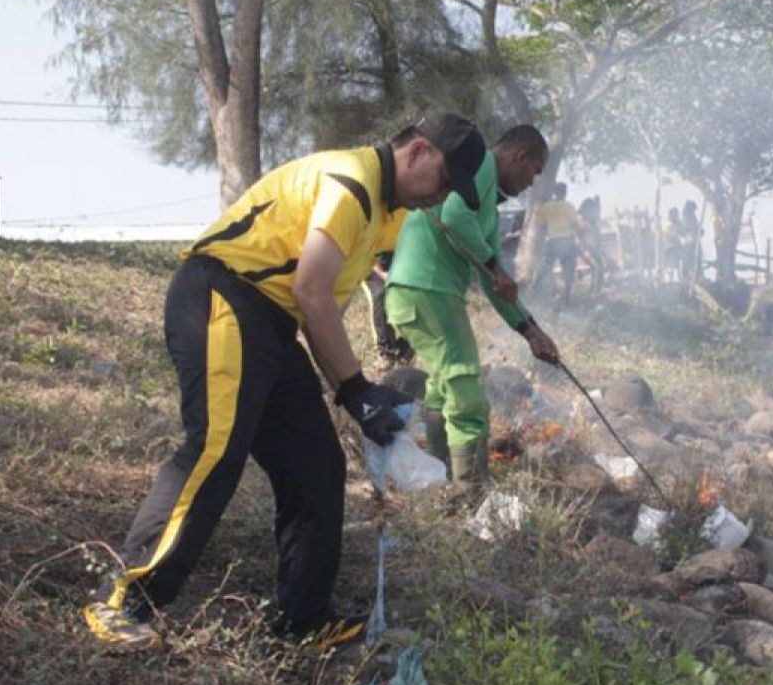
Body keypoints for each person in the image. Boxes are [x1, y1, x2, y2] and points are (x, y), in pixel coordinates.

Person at [83, 111, 487, 651]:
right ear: (417, 153)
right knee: (216, 450)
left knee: (317, 464)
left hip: (273, 324)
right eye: (442, 181)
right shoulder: (350, 184)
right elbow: (312, 292)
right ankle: (124, 601)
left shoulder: (387, 212)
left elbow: (348, 290)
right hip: (222, 295)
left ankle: (302, 620)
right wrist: (353, 389)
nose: (440, 197)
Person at [386, 126, 559, 488]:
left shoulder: (488, 212)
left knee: (442, 387)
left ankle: (441, 478)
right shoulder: (481, 165)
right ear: (519, 156)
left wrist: (531, 330)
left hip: (414, 292)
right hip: (428, 289)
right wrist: (496, 268)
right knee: (468, 395)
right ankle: (470, 494)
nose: (533, 181)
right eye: (535, 170)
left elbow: (495, 282)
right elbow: (453, 216)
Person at [361, 252, 413, 366]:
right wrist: (382, 274)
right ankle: (385, 350)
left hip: (398, 259)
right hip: (371, 264)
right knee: (380, 294)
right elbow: (365, 253)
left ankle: (406, 346)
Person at [534, 182, 583, 304]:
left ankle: (546, 290)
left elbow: (541, 225)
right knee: (568, 268)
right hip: (567, 241)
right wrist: (579, 235)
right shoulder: (569, 206)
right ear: (565, 193)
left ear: (555, 192)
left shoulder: (546, 207)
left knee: (547, 267)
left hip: (553, 241)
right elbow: (576, 225)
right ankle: (566, 296)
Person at [577, 194, 606, 294]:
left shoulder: (593, 225)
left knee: (599, 267)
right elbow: (579, 237)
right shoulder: (584, 224)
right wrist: (584, 247)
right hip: (587, 248)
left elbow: (597, 240)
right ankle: (594, 292)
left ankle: (595, 291)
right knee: (597, 267)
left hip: (592, 248)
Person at [680, 200, 701, 283]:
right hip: (688, 242)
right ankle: (686, 277)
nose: (693, 212)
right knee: (687, 260)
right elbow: (684, 230)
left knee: (697, 259)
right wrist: (689, 234)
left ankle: (697, 277)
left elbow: (697, 227)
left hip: (695, 241)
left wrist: (699, 231)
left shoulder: (693, 218)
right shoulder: (685, 218)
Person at [662, 207, 683, 283]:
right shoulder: (668, 225)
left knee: (676, 265)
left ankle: (678, 278)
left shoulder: (675, 224)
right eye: (675, 215)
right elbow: (674, 234)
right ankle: (670, 279)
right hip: (670, 248)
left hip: (675, 247)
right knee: (671, 266)